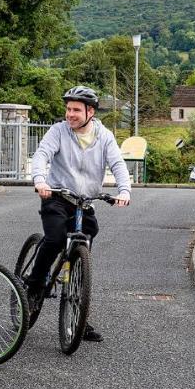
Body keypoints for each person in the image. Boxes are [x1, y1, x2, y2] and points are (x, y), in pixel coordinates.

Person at [28, 85, 131, 341]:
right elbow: (42, 154)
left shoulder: (104, 136)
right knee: (53, 239)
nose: (70, 114)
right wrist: (40, 179)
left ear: (90, 112)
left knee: (80, 259)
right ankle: (34, 287)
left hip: (84, 203)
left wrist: (125, 190)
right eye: (68, 109)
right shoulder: (58, 131)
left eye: (76, 109)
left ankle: (78, 315)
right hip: (56, 198)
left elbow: (117, 163)